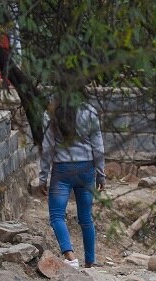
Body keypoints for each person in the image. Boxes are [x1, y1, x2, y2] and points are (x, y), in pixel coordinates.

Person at [39, 91, 106, 268]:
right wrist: (101, 173)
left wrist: (43, 176)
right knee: (86, 217)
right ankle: (90, 261)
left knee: (56, 216)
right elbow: (98, 146)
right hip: (86, 169)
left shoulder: (50, 113)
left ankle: (70, 257)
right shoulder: (90, 111)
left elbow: (47, 147)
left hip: (62, 169)